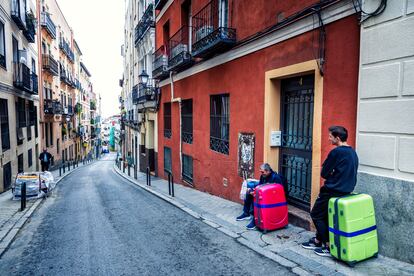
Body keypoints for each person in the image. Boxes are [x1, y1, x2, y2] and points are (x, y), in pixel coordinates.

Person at [302, 126, 359, 257]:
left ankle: (328, 245)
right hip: (346, 190)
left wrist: (332, 174)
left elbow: (324, 173)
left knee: (316, 214)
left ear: (337, 138)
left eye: (330, 136)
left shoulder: (336, 152)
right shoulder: (352, 152)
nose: (328, 138)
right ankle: (318, 240)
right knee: (326, 215)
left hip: (332, 190)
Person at [236, 163, 282, 230]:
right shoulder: (263, 176)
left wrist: (257, 194)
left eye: (262, 172)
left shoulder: (275, 178)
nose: (261, 173)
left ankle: (255, 220)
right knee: (248, 192)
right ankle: (246, 213)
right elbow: (260, 186)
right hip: (264, 194)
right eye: (261, 172)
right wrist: (253, 191)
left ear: (268, 171)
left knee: (258, 199)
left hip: (273, 197)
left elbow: (277, 191)